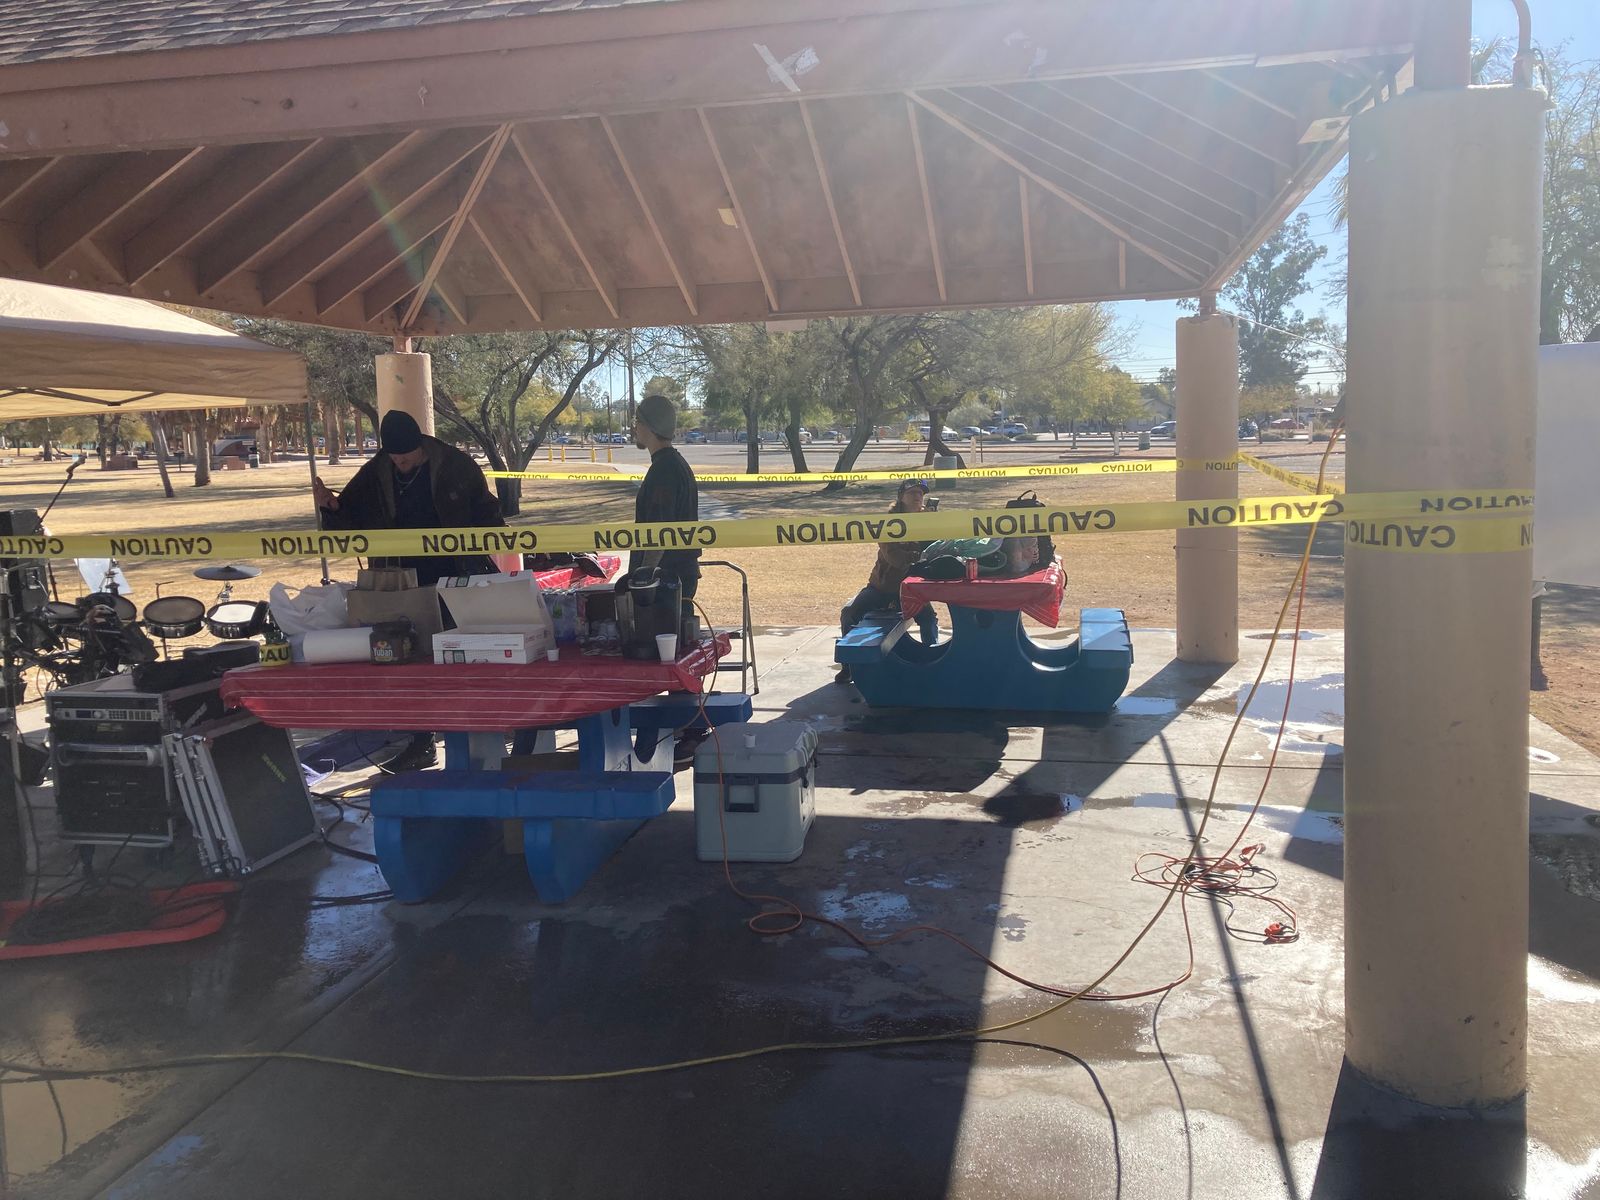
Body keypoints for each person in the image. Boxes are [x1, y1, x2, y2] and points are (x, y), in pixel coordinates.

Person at [313, 409, 504, 770]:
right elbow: (350, 515)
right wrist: (332, 507)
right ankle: (421, 741)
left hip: (454, 575)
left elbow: (487, 513)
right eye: (394, 458)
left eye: (405, 457)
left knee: (461, 658)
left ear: (421, 447)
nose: (399, 464)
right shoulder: (378, 470)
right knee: (409, 661)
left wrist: (494, 541)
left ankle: (480, 737)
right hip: (400, 580)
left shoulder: (456, 465)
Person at [835, 479, 939, 685]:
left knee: (928, 619)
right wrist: (920, 554)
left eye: (921, 493)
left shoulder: (928, 521)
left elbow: (938, 549)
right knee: (849, 613)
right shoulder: (888, 523)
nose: (918, 497)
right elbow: (895, 558)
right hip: (881, 588)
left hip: (910, 590)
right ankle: (848, 667)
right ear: (901, 497)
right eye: (912, 493)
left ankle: (933, 663)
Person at [630, 393, 700, 599]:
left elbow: (659, 533)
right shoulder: (674, 464)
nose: (635, 427)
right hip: (675, 576)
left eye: (637, 421)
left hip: (664, 580)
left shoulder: (664, 471)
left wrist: (644, 579)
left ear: (649, 426)